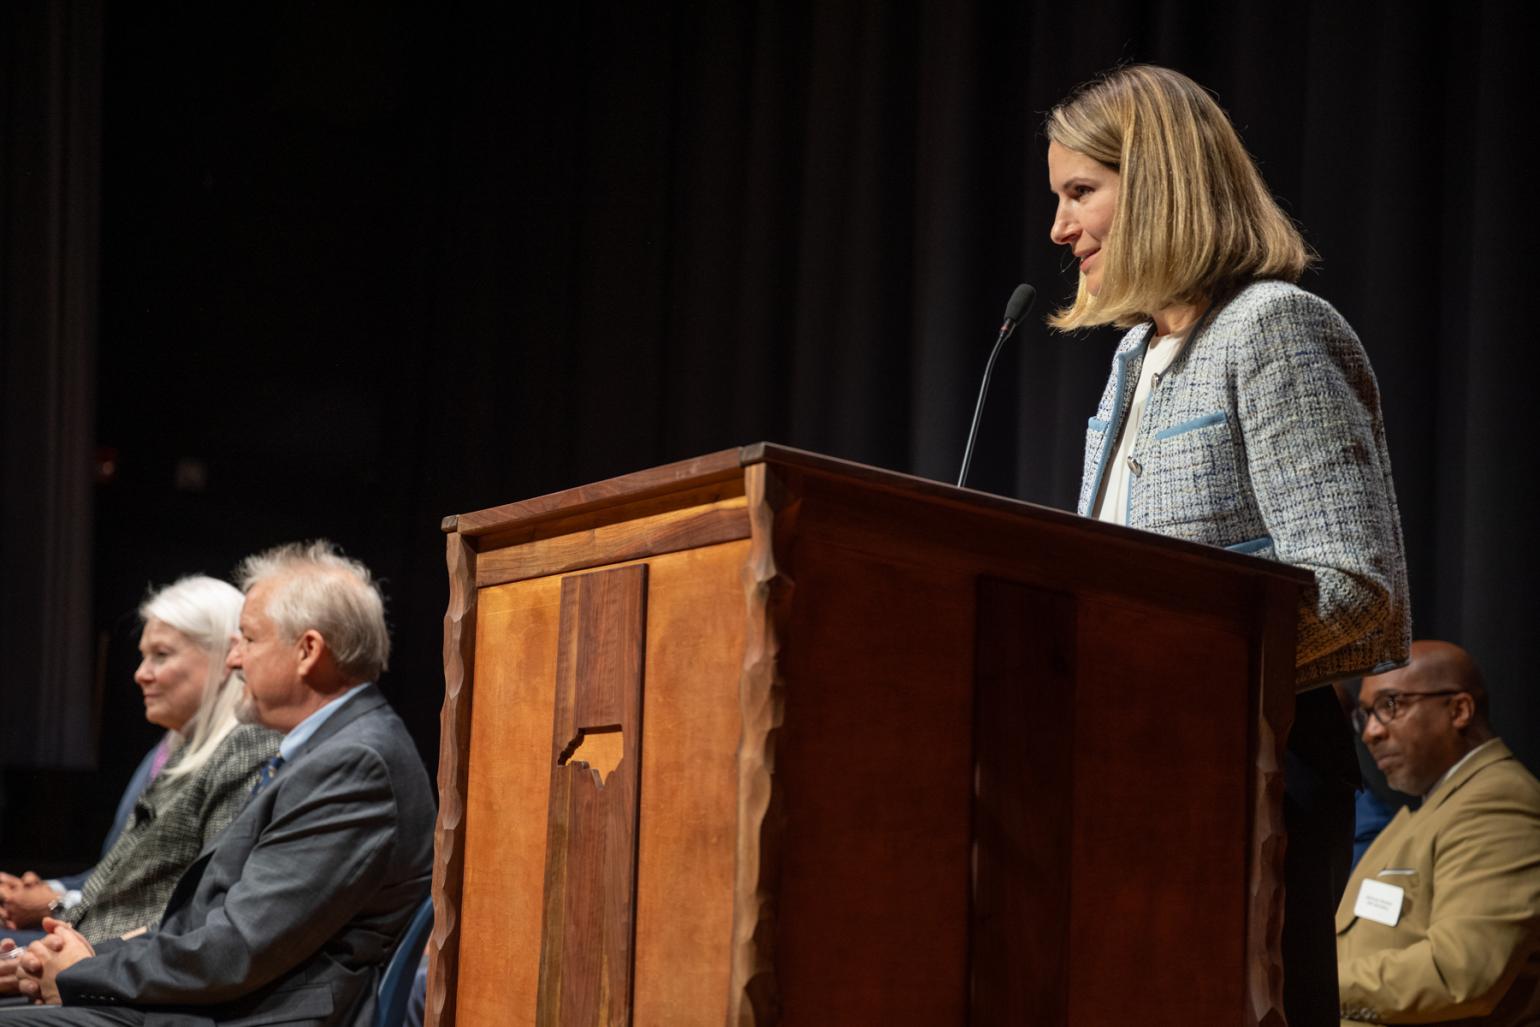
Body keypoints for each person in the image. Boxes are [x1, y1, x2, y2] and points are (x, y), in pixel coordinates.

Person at [1045, 64, 1412, 1024]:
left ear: (1159, 182)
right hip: (1126, 752)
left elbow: (1357, 589)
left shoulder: (1273, 329)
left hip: (1250, 759)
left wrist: (1172, 669)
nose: (1060, 228)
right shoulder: (1132, 357)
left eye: (1081, 192)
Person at [3, 540, 435, 1026]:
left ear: (307, 651)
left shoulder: (354, 763)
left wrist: (87, 971)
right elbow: (202, 918)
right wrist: (80, 957)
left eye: (248, 639)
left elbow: (238, 946)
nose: (234, 661)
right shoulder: (325, 750)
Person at [1, 576, 280, 990]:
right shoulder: (181, 748)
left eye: (161, 656)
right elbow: (121, 876)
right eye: (143, 656)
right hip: (99, 948)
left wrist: (52, 940)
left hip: (124, 964)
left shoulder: (245, 751)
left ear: (226, 656)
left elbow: (194, 911)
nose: (140, 674)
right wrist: (51, 903)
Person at [1338, 642, 1540, 1025]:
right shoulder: (1435, 806)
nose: (1371, 733)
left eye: (1391, 705)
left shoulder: (1498, 804)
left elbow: (1459, 974)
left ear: (1459, 710)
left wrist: (1321, 989)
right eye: (1366, 715)